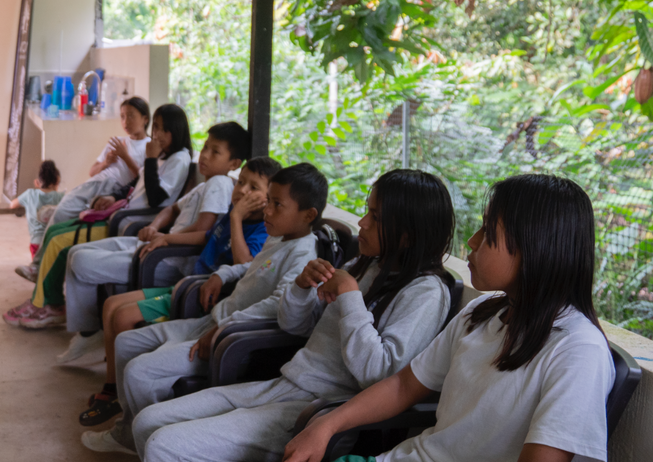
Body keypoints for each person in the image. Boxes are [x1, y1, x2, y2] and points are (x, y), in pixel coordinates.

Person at [284, 174, 614, 462]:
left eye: (487, 231)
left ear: (536, 246)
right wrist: (325, 425)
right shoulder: (482, 314)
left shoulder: (578, 351)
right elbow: (402, 386)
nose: (472, 242)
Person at [133, 169, 457, 462]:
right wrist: (301, 288)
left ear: (408, 234)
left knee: (165, 445)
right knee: (148, 422)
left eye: (375, 216)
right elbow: (295, 326)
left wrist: (350, 297)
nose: (363, 223)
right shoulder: (367, 267)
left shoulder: (426, 292)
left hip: (320, 411)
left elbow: (379, 375)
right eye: (366, 211)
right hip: (287, 383)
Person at [81, 163, 328, 455]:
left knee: (138, 372)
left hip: (227, 338)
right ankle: (129, 431)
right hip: (213, 320)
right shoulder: (279, 236)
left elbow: (278, 302)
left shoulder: (302, 254)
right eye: (269, 201)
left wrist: (225, 327)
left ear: (308, 215)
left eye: (277, 204)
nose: (267, 210)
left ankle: (146, 437)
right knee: (125, 342)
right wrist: (222, 275)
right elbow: (253, 266)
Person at [56, 121, 252, 359]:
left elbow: (204, 229)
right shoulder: (207, 184)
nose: (205, 156)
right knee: (76, 253)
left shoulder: (221, 184)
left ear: (234, 164)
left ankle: (90, 332)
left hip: (170, 259)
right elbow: (171, 210)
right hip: (161, 244)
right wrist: (154, 226)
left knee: (81, 262)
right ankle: (90, 330)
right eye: (206, 147)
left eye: (215, 151)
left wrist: (166, 237)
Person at [3, 104, 194, 328]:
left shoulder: (179, 159)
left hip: (128, 222)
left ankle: (47, 305)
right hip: (121, 212)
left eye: (164, 129)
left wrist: (150, 160)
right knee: (56, 229)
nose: (158, 134)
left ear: (177, 130)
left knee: (58, 242)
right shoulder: (163, 156)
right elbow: (136, 184)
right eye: (157, 128)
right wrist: (114, 197)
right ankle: (47, 298)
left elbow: (156, 199)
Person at [14, 97, 150, 281]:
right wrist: (106, 162)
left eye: (131, 116)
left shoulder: (148, 147)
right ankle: (41, 260)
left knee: (61, 216)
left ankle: (37, 266)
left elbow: (142, 180)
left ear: (145, 119)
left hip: (114, 190)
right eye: (123, 117)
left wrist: (125, 157)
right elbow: (93, 171)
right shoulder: (117, 141)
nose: (125, 122)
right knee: (61, 215)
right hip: (94, 184)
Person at [9, 160, 64, 258]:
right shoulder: (61, 197)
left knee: (37, 269)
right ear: (57, 181)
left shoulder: (30, 194)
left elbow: (13, 205)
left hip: (36, 242)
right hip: (54, 241)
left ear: (37, 182)